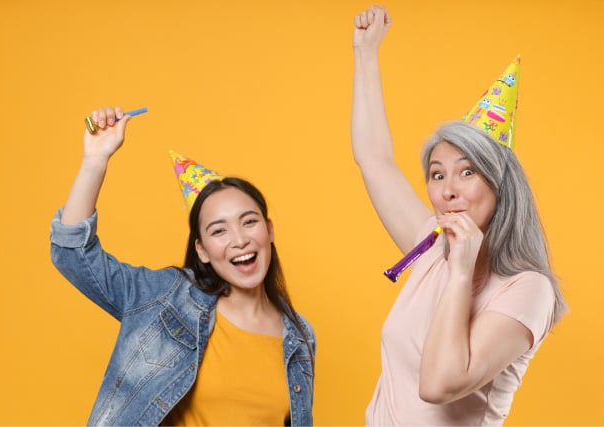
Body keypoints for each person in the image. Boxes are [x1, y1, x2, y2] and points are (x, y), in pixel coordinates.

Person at [351, 6, 567, 425]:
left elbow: (437, 385)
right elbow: (373, 159)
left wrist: (462, 270)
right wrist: (366, 53)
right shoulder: (431, 250)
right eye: (437, 174)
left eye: (467, 171)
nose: (447, 189)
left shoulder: (528, 290)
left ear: (500, 184)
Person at [50, 106, 315, 426]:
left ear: (269, 230)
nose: (239, 239)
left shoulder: (299, 336)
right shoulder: (166, 298)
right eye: (219, 230)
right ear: (201, 250)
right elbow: (73, 255)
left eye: (249, 222)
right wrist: (94, 161)